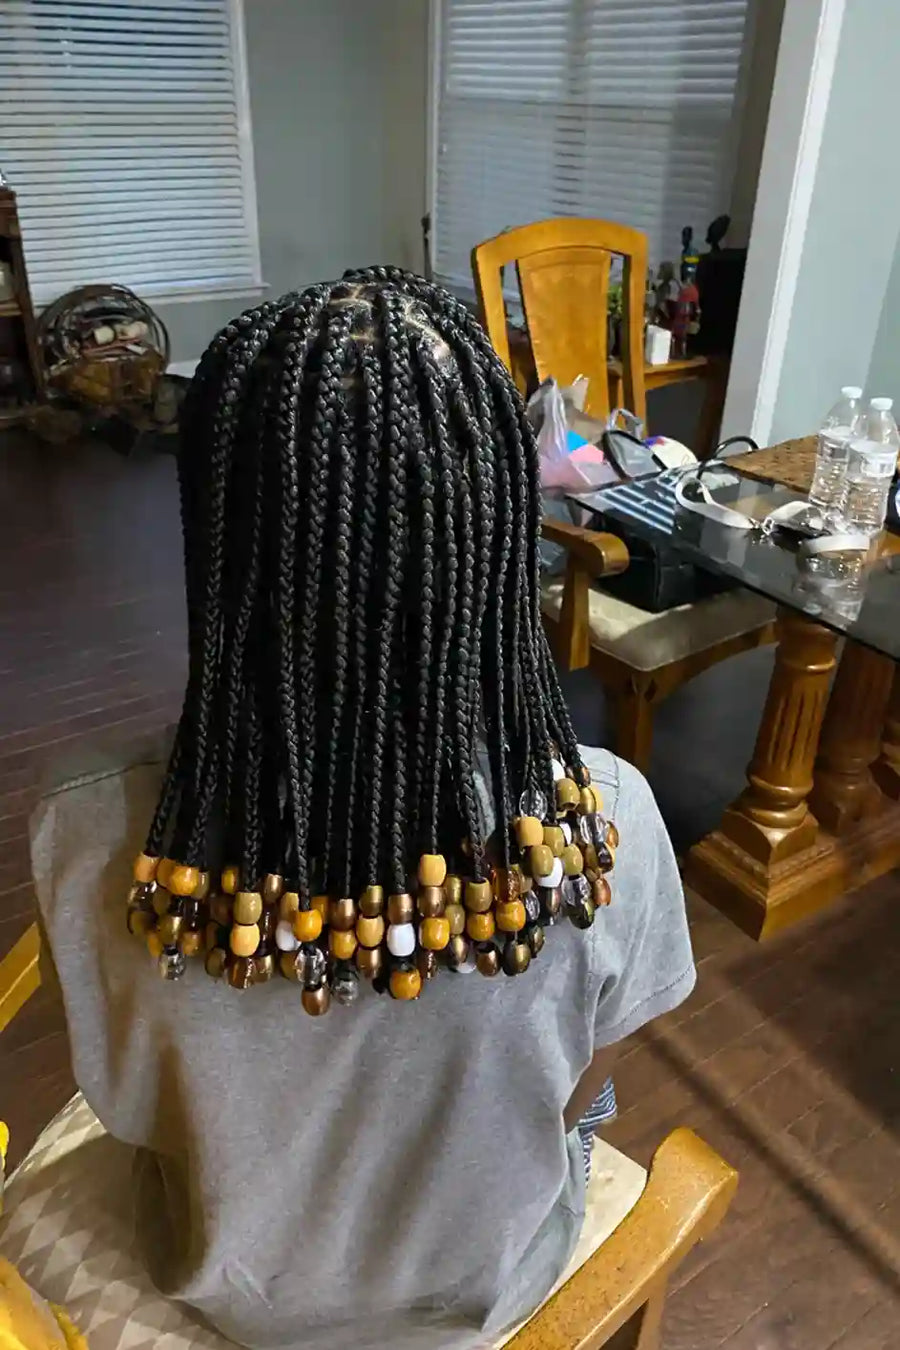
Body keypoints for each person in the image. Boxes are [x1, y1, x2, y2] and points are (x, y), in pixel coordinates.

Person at [30, 269, 695, 1350]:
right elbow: (578, 1091)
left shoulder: (94, 827)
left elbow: (139, 1116)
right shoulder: (599, 824)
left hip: (224, 1289)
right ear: (494, 530)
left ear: (218, 529)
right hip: (487, 1285)